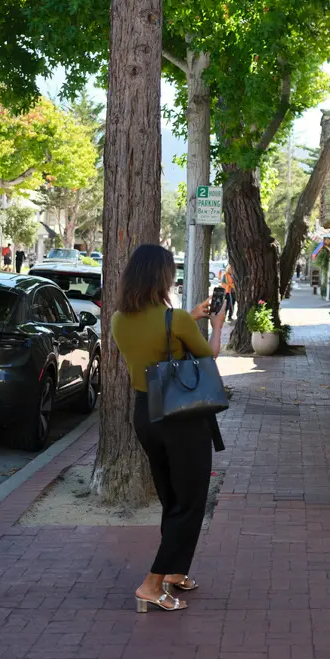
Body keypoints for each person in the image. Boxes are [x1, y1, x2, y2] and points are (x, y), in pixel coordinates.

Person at [111, 244, 226, 614]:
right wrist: (217, 325)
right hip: (183, 419)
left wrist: (189, 317)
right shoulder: (176, 320)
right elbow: (208, 355)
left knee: (171, 498)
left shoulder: (117, 319)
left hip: (147, 415)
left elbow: (156, 349)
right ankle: (152, 583)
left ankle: (176, 571)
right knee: (190, 503)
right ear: (162, 277)